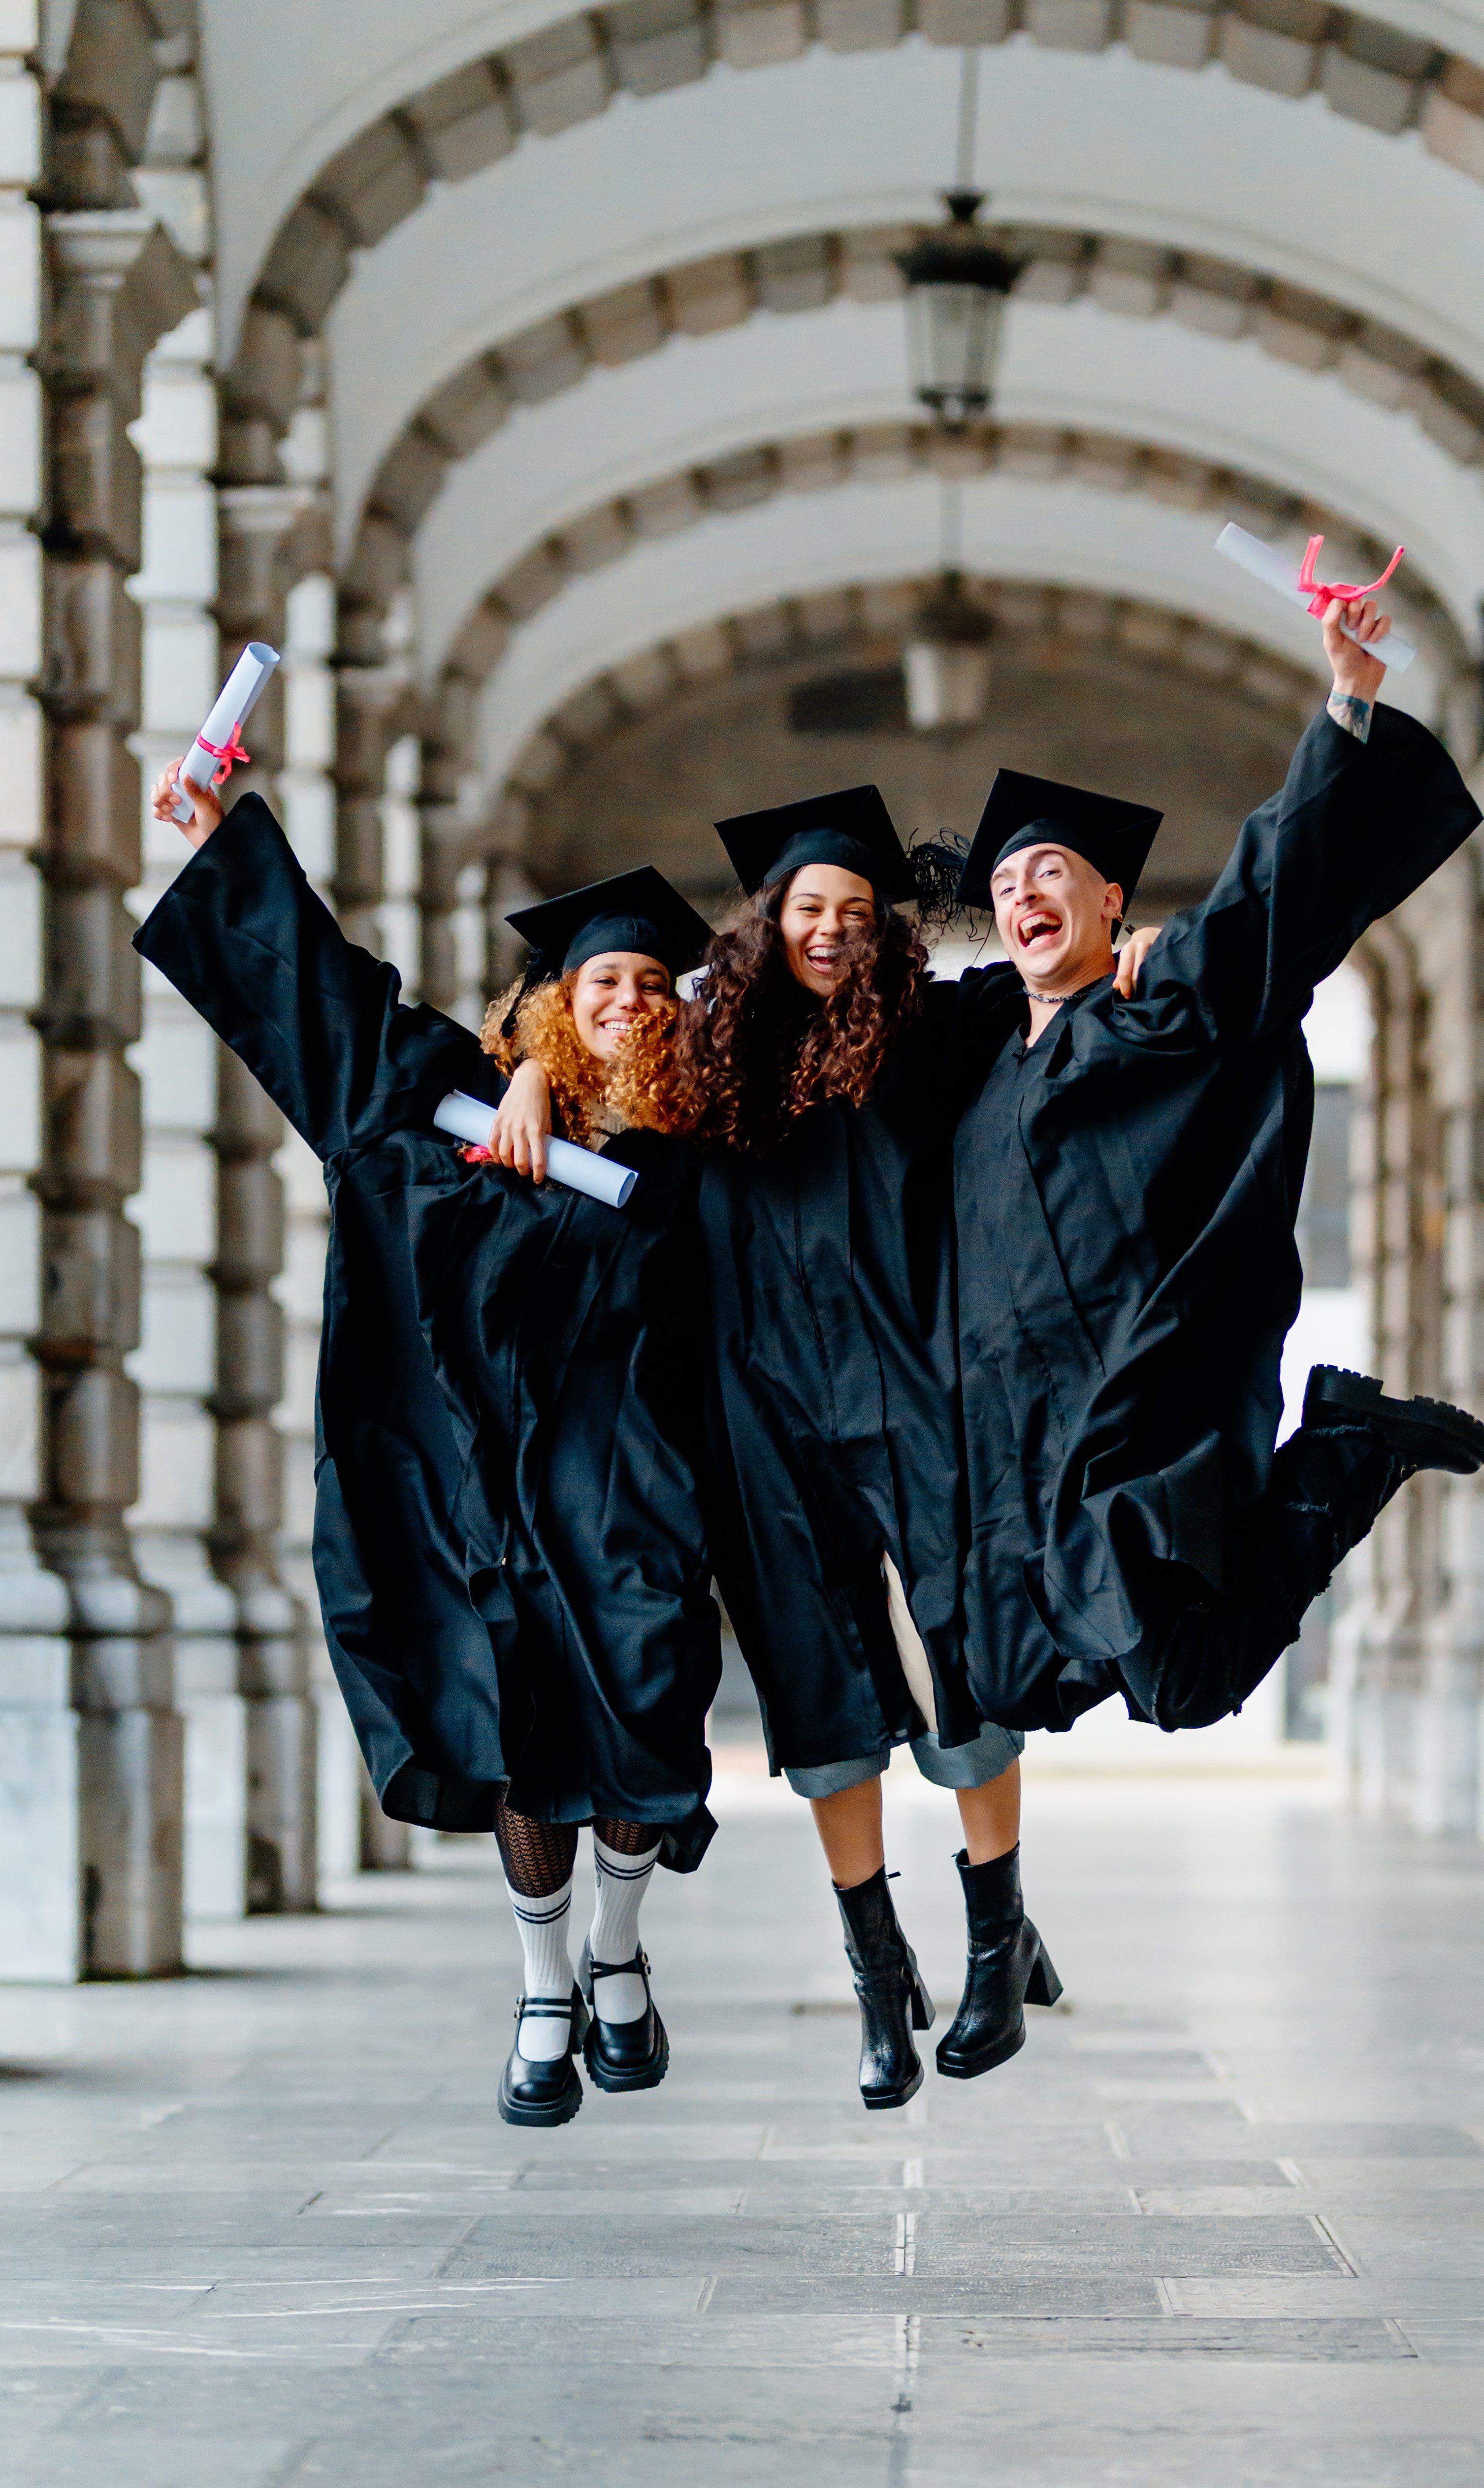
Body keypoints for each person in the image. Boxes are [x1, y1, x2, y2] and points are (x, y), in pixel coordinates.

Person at [490, 789, 1152, 2106]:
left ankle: (990, 1946)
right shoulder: (703, 1052)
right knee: (818, 1698)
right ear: (769, 923)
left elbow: (1054, 988)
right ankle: (875, 1974)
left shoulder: (936, 1028)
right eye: (810, 909)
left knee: (956, 1666)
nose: (834, 930)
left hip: (911, 1398)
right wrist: (522, 1065)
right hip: (763, 1422)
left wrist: (1133, 961)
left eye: (856, 913)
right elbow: (589, 1045)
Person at [140, 763, 717, 2130]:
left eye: (649, 984)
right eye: (602, 986)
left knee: (641, 1704)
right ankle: (541, 1984)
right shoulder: (459, 1108)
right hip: (488, 1485)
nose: (628, 1001)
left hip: (634, 1483)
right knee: (517, 1718)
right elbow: (333, 1011)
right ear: (557, 1006)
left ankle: (618, 1951)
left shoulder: (711, 1145)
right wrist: (227, 839)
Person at [950, 596, 1484, 1738]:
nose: (1022, 896)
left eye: (1051, 873)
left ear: (1110, 900)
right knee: (1013, 1688)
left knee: (1181, 1685)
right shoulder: (979, 1053)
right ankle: (1344, 1448)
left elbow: (1264, 898)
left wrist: (1343, 706)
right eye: (1003, 887)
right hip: (1022, 1436)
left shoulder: (1162, 999)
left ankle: (1345, 1452)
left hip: (1143, 1403)